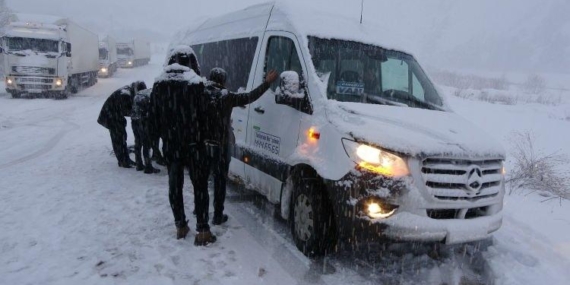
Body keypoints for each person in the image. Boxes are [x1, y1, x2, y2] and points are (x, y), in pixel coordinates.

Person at [149, 46, 216, 246]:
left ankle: (180, 226)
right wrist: (206, 139)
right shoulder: (196, 83)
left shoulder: (159, 84)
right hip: (195, 145)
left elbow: (152, 118)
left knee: (175, 186)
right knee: (200, 187)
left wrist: (156, 145)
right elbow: (207, 116)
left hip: (171, 145)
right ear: (192, 63)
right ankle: (203, 230)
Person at [203, 67, 278, 225]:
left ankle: (201, 212)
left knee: (202, 180)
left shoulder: (200, 94)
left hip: (203, 145)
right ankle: (217, 215)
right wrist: (267, 83)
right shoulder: (226, 96)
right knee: (220, 182)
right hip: (221, 146)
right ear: (223, 81)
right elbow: (249, 97)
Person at [97, 84, 136, 168]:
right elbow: (125, 110)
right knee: (118, 139)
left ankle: (125, 159)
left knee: (122, 138)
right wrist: (135, 113)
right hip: (110, 117)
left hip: (114, 116)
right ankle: (123, 161)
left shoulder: (127, 91)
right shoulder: (125, 94)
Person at [130, 81, 160, 174]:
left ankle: (139, 164)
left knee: (138, 142)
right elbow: (152, 109)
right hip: (143, 120)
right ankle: (148, 167)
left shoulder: (136, 95)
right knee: (146, 143)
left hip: (134, 120)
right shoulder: (148, 93)